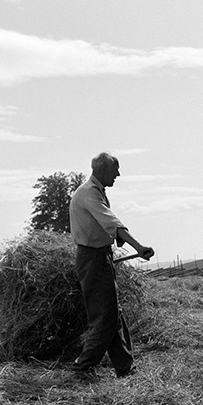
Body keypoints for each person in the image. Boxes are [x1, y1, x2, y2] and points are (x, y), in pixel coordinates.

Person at [69, 152, 154, 380]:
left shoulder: (93, 192)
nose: (118, 174)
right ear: (103, 170)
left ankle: (125, 368)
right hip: (93, 258)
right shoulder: (89, 194)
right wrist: (138, 246)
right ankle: (83, 366)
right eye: (115, 169)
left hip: (98, 256)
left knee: (112, 313)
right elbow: (112, 224)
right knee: (105, 316)